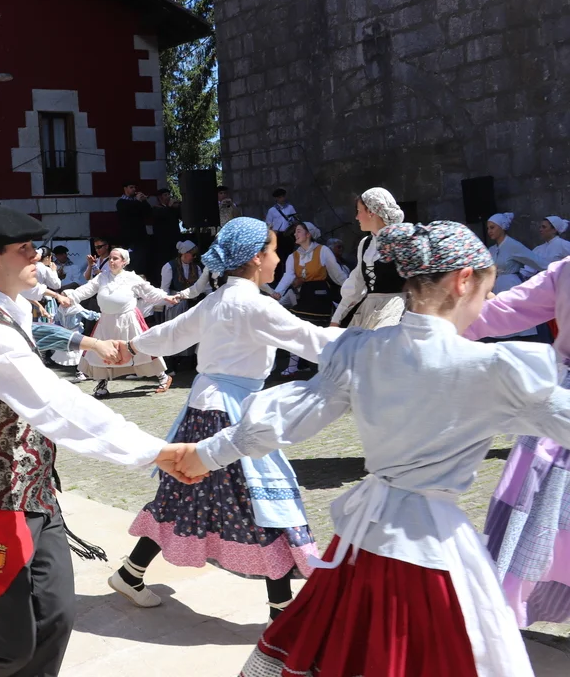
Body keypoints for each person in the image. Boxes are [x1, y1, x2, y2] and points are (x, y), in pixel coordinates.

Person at [175, 219, 570, 676]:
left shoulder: (363, 351)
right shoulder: (491, 368)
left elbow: (285, 419)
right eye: (487, 292)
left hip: (361, 540)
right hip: (430, 547)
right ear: (463, 281)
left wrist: (205, 454)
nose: (486, 305)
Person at [0, 206, 196, 677]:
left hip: (36, 497)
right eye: (24, 248)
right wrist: (154, 452)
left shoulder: (10, 310)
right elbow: (60, 405)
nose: (36, 256)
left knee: (56, 618)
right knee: (9, 647)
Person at [110, 218, 338, 620]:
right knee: (264, 502)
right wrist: (371, 348)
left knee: (184, 494)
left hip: (202, 410)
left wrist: (129, 347)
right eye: (274, 250)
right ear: (257, 257)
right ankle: (282, 612)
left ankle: (131, 573)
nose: (278, 257)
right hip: (232, 415)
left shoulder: (218, 300)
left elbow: (171, 334)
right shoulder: (253, 304)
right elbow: (312, 340)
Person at [463, 255, 570, 628]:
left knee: (542, 507)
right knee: (541, 509)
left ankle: (507, 608)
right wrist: (434, 329)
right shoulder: (566, 271)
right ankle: (512, 607)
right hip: (559, 410)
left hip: (559, 408)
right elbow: (502, 311)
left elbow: (501, 312)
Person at [63, 248, 179, 398]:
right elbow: (86, 289)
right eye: (110, 258)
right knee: (103, 351)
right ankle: (102, 384)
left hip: (128, 320)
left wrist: (166, 297)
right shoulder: (102, 277)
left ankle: (163, 376)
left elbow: (149, 291)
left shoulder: (132, 278)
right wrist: (70, 297)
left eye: (115, 258)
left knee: (142, 349)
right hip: (106, 321)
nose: (111, 261)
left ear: (124, 262)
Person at [270, 222, 350, 375]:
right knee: (297, 328)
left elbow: (337, 274)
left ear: (308, 234)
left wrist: (351, 290)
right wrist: (278, 292)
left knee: (316, 331)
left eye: (299, 231)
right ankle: (295, 366)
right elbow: (288, 275)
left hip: (320, 295)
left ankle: (322, 366)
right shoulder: (293, 256)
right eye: (295, 232)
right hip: (304, 295)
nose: (295, 234)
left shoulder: (323, 251)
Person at [331, 187, 407, 329]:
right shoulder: (365, 244)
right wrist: (337, 318)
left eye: (359, 211)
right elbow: (356, 283)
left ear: (371, 212)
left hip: (396, 310)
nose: (357, 217)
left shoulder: (401, 240)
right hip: (369, 310)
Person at [486, 212, 544, 340]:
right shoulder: (492, 249)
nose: (489, 231)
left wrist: (559, 270)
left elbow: (536, 261)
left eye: (492, 227)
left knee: (517, 323)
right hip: (497, 286)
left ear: (502, 227)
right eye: (488, 228)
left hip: (511, 284)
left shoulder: (513, 245)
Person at [158, 240, 204, 361]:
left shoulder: (196, 268)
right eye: (192, 254)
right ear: (184, 253)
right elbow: (164, 288)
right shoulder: (169, 266)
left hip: (192, 303)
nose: (193, 257)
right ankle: (173, 359)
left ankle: (188, 359)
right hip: (175, 303)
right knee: (176, 331)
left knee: (191, 331)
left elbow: (203, 285)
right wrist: (168, 304)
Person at [116, 182, 154, 275]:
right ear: (125, 189)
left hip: (141, 238)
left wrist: (144, 201)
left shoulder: (138, 202)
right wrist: (137, 201)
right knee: (132, 263)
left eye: (134, 187)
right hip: (129, 239)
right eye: (131, 187)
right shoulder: (121, 202)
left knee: (142, 262)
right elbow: (128, 211)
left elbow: (149, 213)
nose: (134, 189)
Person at [151, 188, 182, 271]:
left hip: (175, 239)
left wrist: (180, 206)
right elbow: (163, 215)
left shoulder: (173, 209)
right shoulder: (156, 209)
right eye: (165, 195)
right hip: (163, 242)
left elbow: (182, 217)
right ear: (160, 198)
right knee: (165, 263)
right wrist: (169, 207)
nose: (168, 197)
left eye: (169, 195)